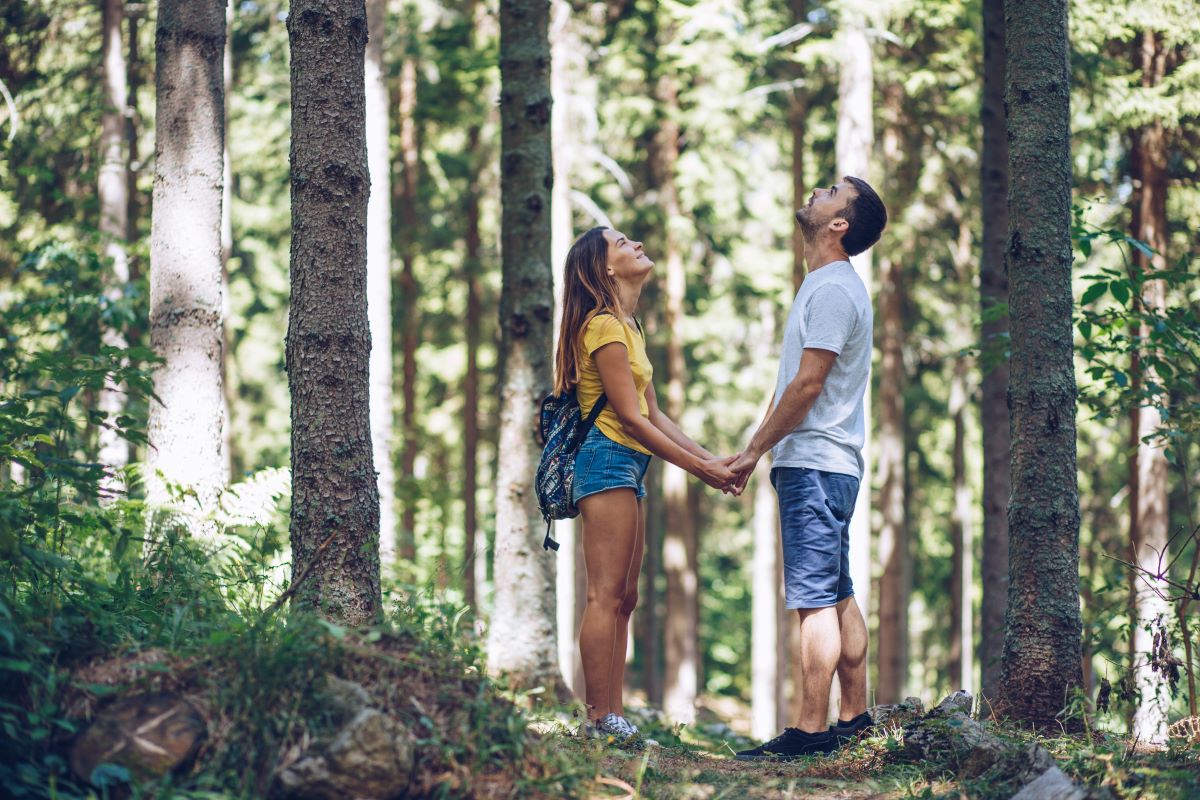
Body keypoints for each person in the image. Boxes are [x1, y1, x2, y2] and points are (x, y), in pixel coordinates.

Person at [726, 176, 888, 759]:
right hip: (824, 462)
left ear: (839, 223)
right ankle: (855, 718)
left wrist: (753, 453)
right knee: (838, 589)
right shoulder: (821, 285)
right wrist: (755, 448)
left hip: (817, 462)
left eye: (830, 192)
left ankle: (810, 732)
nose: (817, 192)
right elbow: (790, 385)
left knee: (814, 597)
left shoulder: (835, 291)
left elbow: (808, 385)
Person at [553, 226, 735, 742]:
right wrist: (701, 471)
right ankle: (597, 717)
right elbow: (632, 420)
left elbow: (656, 414)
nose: (635, 244)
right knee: (605, 595)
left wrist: (714, 461)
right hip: (607, 459)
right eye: (622, 243)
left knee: (626, 596)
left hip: (630, 465)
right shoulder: (604, 327)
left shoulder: (629, 326)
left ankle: (614, 716)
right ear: (605, 268)